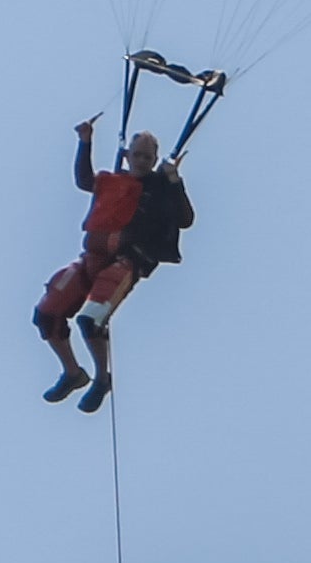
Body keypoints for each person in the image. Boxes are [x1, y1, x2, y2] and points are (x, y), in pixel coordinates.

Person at [33, 116, 194, 410]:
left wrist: (174, 180)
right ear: (127, 156)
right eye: (138, 155)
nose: (142, 161)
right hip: (89, 260)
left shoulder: (157, 189)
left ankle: (101, 379)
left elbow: (185, 219)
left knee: (90, 319)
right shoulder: (109, 181)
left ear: (155, 159)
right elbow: (84, 180)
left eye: (148, 157)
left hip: (124, 262)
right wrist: (85, 141)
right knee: (46, 314)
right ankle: (72, 373)